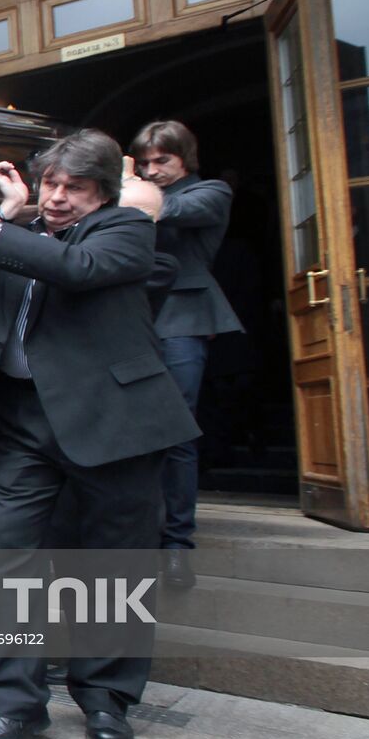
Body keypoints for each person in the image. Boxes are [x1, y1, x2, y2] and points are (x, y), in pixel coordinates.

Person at [0, 131, 198, 739]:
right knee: (11, 568)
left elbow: (78, 271)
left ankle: (107, 700)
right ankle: (14, 708)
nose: (56, 196)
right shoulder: (17, 230)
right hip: (19, 423)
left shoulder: (125, 230)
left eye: (73, 187)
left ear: (104, 193)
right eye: (49, 183)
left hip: (115, 423)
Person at [130, 120, 242, 589]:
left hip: (184, 318)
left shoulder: (212, 191)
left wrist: (124, 191)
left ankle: (177, 545)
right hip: (133, 317)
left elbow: (168, 210)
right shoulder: (136, 195)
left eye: (164, 160)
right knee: (134, 433)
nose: (154, 170)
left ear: (184, 159)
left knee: (175, 431)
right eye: (147, 161)